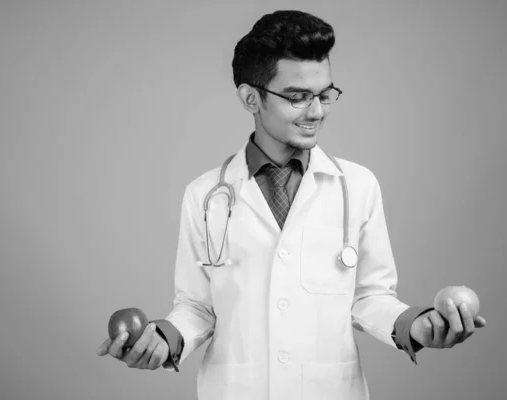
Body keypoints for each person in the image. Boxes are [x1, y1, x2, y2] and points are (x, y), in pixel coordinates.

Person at [96, 10, 487, 399]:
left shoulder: (358, 185)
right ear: (251, 97)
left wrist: (416, 325)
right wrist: (163, 339)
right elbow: (197, 306)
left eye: (325, 94)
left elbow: (370, 297)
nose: (316, 111)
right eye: (298, 97)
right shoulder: (204, 195)